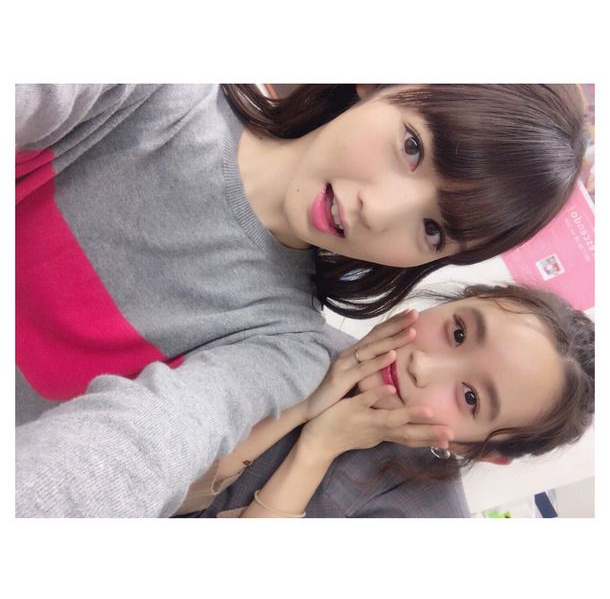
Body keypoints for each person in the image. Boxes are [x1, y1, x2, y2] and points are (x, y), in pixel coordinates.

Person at [15, 84, 586, 517]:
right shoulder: (159, 90)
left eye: (433, 230)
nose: (379, 210)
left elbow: (144, 447)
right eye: (412, 147)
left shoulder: (288, 348)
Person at [174, 284, 595, 518]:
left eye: (470, 397)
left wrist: (317, 448)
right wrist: (301, 409)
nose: (422, 366)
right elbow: (153, 477)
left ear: (480, 451)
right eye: (458, 333)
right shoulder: (290, 332)